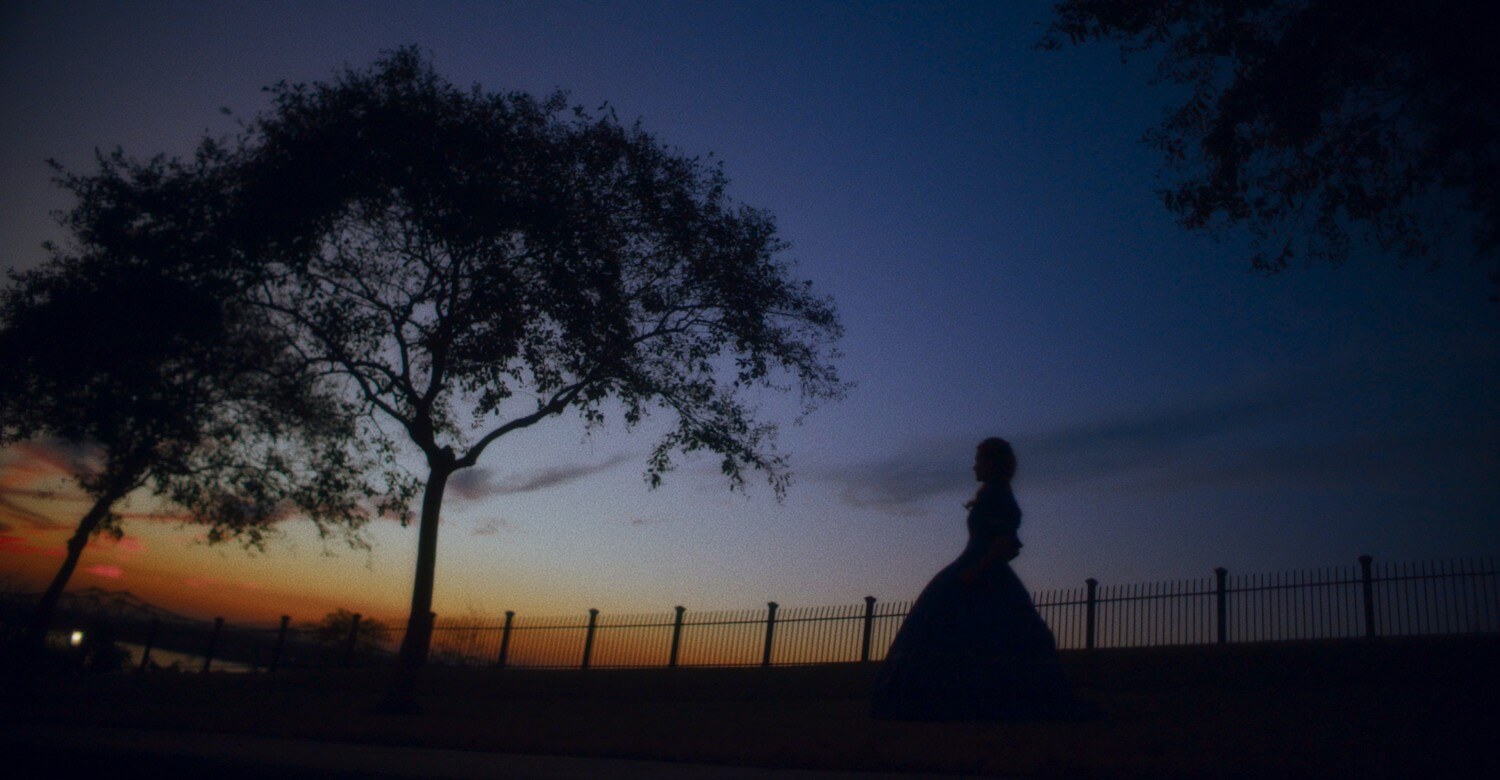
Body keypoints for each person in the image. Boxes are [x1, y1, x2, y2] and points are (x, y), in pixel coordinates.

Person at [870, 437, 1094, 721]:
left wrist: (979, 568)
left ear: (992, 463)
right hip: (975, 568)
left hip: (977, 570)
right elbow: (1007, 544)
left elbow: (1004, 543)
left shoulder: (996, 496)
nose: (974, 466)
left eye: (978, 460)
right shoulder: (994, 495)